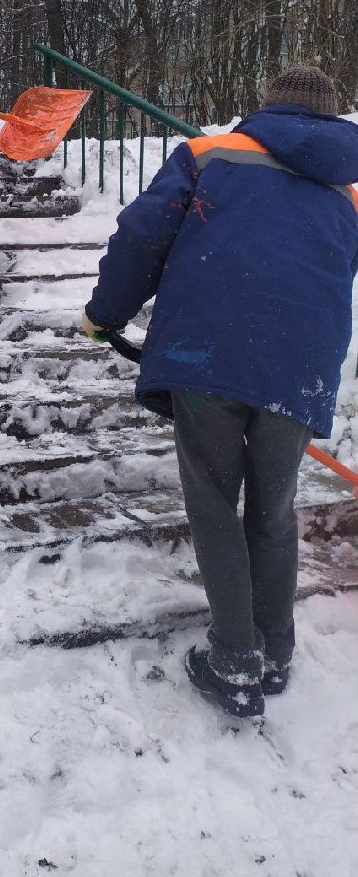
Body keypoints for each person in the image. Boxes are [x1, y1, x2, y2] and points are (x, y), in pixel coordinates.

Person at [81, 65, 358, 717]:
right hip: (302, 370)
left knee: (212, 498)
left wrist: (105, 313)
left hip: (209, 352)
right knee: (274, 511)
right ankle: (276, 650)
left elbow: (144, 234)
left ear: (270, 109)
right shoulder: (347, 192)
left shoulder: (209, 155)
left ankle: (234, 660)